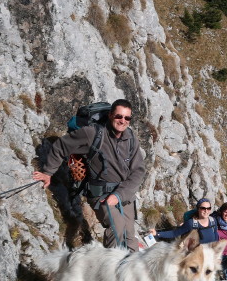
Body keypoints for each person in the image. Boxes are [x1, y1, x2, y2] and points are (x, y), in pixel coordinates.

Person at [33, 99, 145, 252]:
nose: (122, 121)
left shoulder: (130, 138)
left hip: (124, 195)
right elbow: (61, 146)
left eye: (127, 118)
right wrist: (48, 172)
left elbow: (138, 171)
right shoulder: (92, 133)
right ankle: (110, 273)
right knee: (117, 228)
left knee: (130, 236)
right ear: (111, 115)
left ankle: (131, 273)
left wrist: (119, 195)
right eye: (119, 116)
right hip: (102, 195)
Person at [153, 198, 218, 244]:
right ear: (198, 209)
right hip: (195, 259)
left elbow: (216, 238)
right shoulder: (191, 223)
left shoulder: (213, 221)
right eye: (203, 208)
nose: (206, 211)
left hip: (209, 258)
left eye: (208, 208)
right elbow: (175, 233)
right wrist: (157, 234)